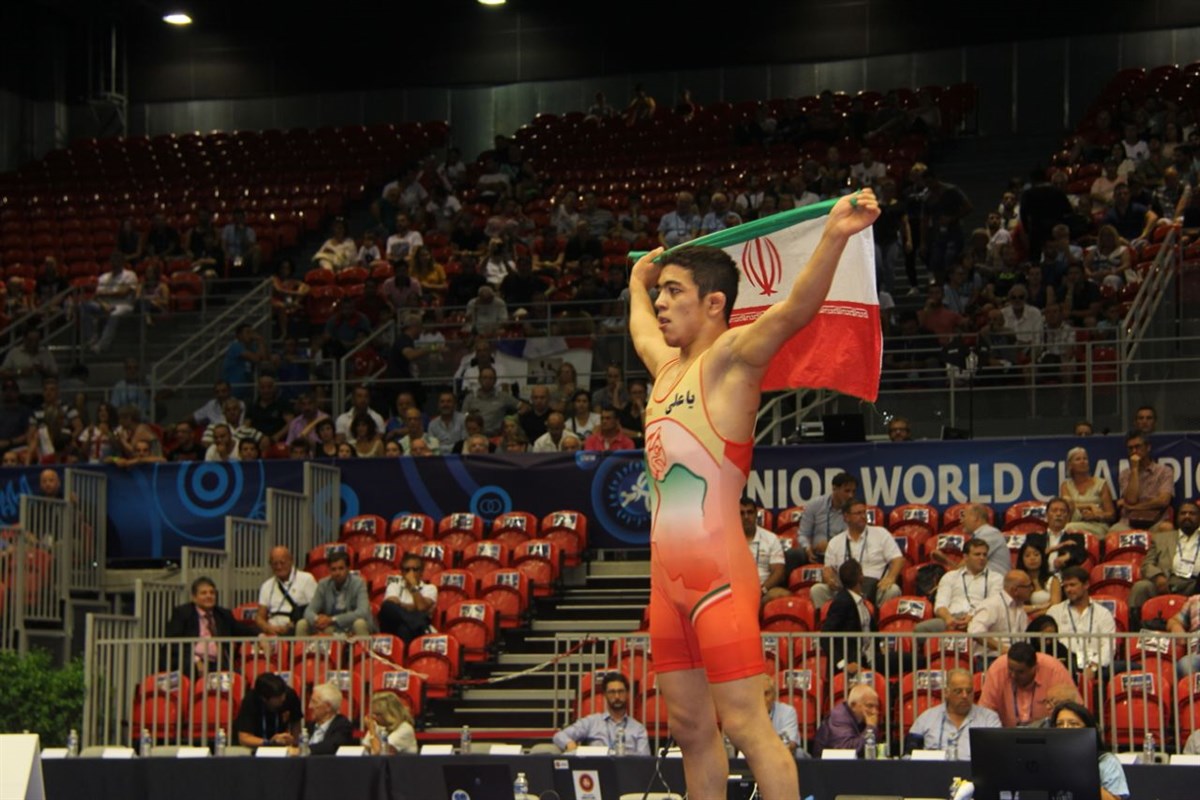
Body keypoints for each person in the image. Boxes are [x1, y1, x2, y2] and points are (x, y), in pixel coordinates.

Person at [630, 190, 880, 798]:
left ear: (714, 303)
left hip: (717, 579)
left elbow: (794, 310)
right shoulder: (666, 369)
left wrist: (834, 234)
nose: (661, 304)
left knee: (746, 725)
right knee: (691, 730)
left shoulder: (732, 360)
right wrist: (638, 281)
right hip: (666, 584)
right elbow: (639, 327)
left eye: (673, 292)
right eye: (660, 294)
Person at [812, 500, 905, 608]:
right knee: (817, 590)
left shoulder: (881, 534)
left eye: (864, 512)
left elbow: (898, 559)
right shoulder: (835, 542)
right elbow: (828, 570)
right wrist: (829, 579)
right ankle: (830, 618)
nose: (863, 516)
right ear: (846, 517)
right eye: (858, 513)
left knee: (893, 590)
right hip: (845, 588)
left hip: (875, 587)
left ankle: (880, 618)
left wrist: (891, 577)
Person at [904, 668, 1000, 760]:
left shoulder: (989, 719)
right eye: (958, 691)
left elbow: (998, 755)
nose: (965, 696)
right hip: (934, 770)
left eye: (969, 691)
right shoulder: (926, 719)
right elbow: (908, 756)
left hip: (973, 771)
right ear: (946, 693)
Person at [164, 576, 255, 670]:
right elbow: (173, 642)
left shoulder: (223, 614)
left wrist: (260, 635)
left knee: (240, 675)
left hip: (219, 663)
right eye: (204, 593)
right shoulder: (182, 613)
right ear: (194, 598)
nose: (209, 596)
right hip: (191, 662)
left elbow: (241, 629)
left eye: (212, 592)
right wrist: (195, 660)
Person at [915, 539, 1004, 633]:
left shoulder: (996, 578)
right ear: (965, 557)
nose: (982, 558)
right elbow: (940, 605)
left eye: (984, 555)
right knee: (921, 629)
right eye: (977, 554)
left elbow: (993, 605)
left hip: (980, 620)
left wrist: (972, 616)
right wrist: (948, 619)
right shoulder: (950, 576)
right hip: (951, 618)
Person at [978, 641, 1075, 727]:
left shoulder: (1054, 670)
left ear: (1034, 667)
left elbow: (1073, 711)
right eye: (1010, 669)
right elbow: (984, 713)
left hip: (1048, 734)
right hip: (1005, 734)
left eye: (1020, 672)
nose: (1013, 675)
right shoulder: (997, 670)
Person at [1131, 501, 1199, 619]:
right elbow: (1147, 564)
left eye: (1192, 513)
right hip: (1167, 583)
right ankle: (1135, 628)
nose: (1187, 516)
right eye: (1183, 513)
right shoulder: (1161, 538)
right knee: (1141, 587)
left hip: (1195, 584)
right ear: (1177, 518)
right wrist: (1158, 576)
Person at [552, 673, 650, 755]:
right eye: (612, 692)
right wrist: (569, 743)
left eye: (621, 691)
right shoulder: (591, 722)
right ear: (604, 694)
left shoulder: (638, 729)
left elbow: (645, 763)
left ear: (627, 693)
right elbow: (559, 736)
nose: (617, 696)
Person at [1047, 566, 1116, 680]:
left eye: (1072, 585)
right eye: (1065, 586)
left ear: (1086, 585)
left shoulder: (1103, 613)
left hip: (1096, 664)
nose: (1068, 589)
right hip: (1066, 663)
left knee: (1130, 667)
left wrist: (1094, 666)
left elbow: (1108, 646)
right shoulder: (1055, 611)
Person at [1049, 701, 1130, 800]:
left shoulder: (1105, 761)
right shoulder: (1049, 761)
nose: (1065, 728)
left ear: (1088, 729)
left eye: (1073, 724)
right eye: (1059, 724)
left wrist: (1082, 776)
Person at [298, 551, 374, 636]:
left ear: (348, 569)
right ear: (329, 570)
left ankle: (363, 645)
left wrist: (332, 619)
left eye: (341, 568)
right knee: (302, 624)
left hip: (351, 625)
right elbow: (308, 611)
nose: (337, 573)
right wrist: (318, 619)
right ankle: (300, 645)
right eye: (333, 569)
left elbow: (362, 612)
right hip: (331, 627)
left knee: (359, 623)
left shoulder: (359, 583)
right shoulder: (323, 584)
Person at [820, 559, 877, 672]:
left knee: (907, 659)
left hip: (869, 657)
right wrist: (843, 664)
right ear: (860, 577)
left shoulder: (860, 600)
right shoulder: (842, 601)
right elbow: (825, 637)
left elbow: (873, 630)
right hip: (852, 662)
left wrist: (881, 646)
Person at [1114, 431, 1174, 531]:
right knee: (1114, 531)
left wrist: (1134, 507)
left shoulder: (1164, 471)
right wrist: (1134, 470)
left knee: (1167, 528)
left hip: (1156, 520)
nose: (1134, 451)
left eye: (1138, 447)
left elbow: (1163, 501)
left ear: (1148, 447)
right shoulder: (1125, 474)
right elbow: (1131, 500)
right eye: (1130, 448)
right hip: (1128, 522)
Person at [966, 569, 1033, 658]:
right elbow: (975, 632)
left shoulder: (1020, 607)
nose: (1031, 589)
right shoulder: (992, 604)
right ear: (1015, 590)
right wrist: (1001, 647)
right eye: (1028, 586)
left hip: (1017, 659)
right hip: (991, 659)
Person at [81, 254, 139, 353]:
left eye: (117, 261)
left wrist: (105, 294)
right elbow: (97, 296)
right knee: (86, 305)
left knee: (114, 314)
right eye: (113, 261)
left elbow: (124, 293)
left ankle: (102, 345)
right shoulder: (104, 277)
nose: (114, 263)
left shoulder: (130, 275)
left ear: (122, 262)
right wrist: (104, 305)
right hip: (105, 305)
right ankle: (91, 339)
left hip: (124, 305)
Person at [255, 546, 318, 636]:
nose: (279, 567)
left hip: (296, 627)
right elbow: (260, 617)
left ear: (291, 561)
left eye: (282, 563)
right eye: (275, 564)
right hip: (273, 630)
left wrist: (292, 624)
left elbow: (316, 609)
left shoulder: (306, 579)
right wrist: (268, 628)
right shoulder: (266, 585)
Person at [378, 553, 437, 644]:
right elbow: (390, 606)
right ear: (402, 573)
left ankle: (415, 624)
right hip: (393, 627)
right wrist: (414, 610)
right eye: (407, 570)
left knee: (404, 629)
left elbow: (421, 607)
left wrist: (413, 586)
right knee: (387, 606)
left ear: (421, 572)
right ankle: (417, 623)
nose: (411, 573)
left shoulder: (430, 588)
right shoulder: (394, 586)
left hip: (414, 633)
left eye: (415, 569)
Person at [796, 472, 857, 559]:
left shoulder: (855, 509)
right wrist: (807, 549)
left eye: (853, 491)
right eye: (847, 491)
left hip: (842, 554)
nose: (851, 495)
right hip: (816, 553)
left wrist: (831, 546)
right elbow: (803, 534)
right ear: (834, 488)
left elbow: (855, 537)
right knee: (793, 555)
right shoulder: (815, 505)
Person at [234, 673, 302, 749]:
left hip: (283, 747)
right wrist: (269, 743)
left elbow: (296, 723)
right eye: (278, 697)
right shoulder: (250, 700)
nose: (283, 698)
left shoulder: (290, 695)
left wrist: (294, 744)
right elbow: (244, 738)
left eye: (283, 694)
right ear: (264, 699)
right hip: (256, 747)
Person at [741, 496, 790, 602]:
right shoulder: (727, 540)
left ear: (756, 514)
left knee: (784, 594)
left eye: (750, 512)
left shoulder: (771, 538)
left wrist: (762, 590)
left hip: (763, 590)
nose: (746, 517)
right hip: (736, 591)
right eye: (742, 513)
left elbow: (778, 571)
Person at [940, 503, 1010, 577]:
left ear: (975, 517)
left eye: (964, 516)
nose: (961, 521)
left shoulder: (989, 533)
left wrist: (945, 560)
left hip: (996, 582)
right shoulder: (980, 534)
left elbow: (961, 569)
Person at [812, 683, 880, 758]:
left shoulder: (863, 719)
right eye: (869, 706)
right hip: (826, 764)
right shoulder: (839, 717)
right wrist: (870, 728)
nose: (874, 712)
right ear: (853, 705)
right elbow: (848, 750)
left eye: (876, 707)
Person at [1060, 448, 1115, 537]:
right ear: (1070, 465)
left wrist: (1094, 516)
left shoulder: (1101, 484)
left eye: (1085, 459)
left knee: (1067, 528)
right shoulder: (1066, 485)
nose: (1083, 461)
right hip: (1073, 521)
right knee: (1067, 503)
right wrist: (1089, 505)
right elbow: (1066, 506)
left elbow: (1111, 514)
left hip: (1097, 525)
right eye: (1078, 459)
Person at [302, 683, 357, 755]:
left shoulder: (342, 726)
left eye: (314, 702)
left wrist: (305, 750)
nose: (310, 706)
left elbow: (332, 746)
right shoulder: (310, 726)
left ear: (328, 707)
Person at [1017, 540, 1062, 616]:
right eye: (1027, 555)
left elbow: (1055, 607)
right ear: (1022, 559)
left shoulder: (1053, 580)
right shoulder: (1018, 580)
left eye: (1036, 554)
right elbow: (1016, 607)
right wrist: (1039, 607)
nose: (1032, 558)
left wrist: (1034, 615)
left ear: (1042, 557)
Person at [761, 674, 800, 756]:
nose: (763, 699)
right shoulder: (746, 713)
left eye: (767, 694)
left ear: (774, 695)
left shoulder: (787, 711)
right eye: (758, 694)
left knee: (799, 754)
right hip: (756, 755)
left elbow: (790, 743)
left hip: (781, 754)